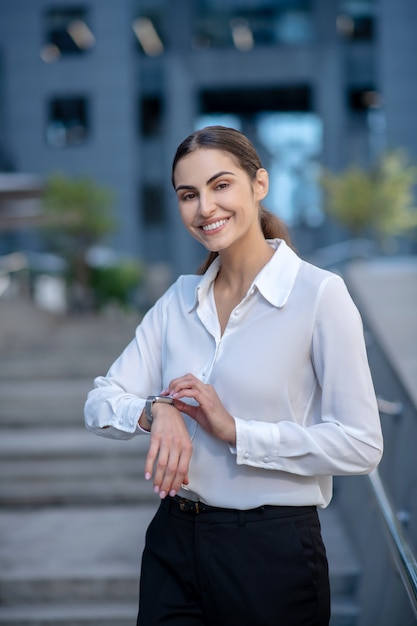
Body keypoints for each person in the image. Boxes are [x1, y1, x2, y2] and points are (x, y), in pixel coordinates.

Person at [84, 125, 383, 626]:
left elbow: (362, 443)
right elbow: (99, 400)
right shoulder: (177, 300)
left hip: (272, 552)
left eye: (220, 185)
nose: (205, 208)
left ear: (258, 184)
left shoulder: (319, 296)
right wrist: (154, 411)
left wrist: (236, 432)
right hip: (174, 544)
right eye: (188, 195)